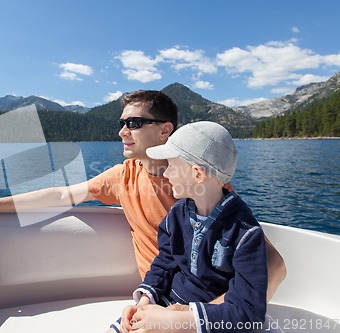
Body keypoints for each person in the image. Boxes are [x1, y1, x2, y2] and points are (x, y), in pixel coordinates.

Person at [0, 90, 285, 300]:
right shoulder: (123, 176)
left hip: (202, 305)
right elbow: (61, 195)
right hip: (156, 295)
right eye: (122, 123)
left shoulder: (202, 186)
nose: (122, 132)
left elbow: (274, 266)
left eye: (133, 123)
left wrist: (215, 316)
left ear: (165, 131)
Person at [112, 121, 267, 333]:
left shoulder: (245, 233)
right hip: (166, 305)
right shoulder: (178, 214)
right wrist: (145, 301)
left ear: (197, 174)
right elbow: (165, 262)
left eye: (171, 166)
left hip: (206, 322)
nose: (166, 174)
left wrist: (176, 322)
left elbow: (248, 313)